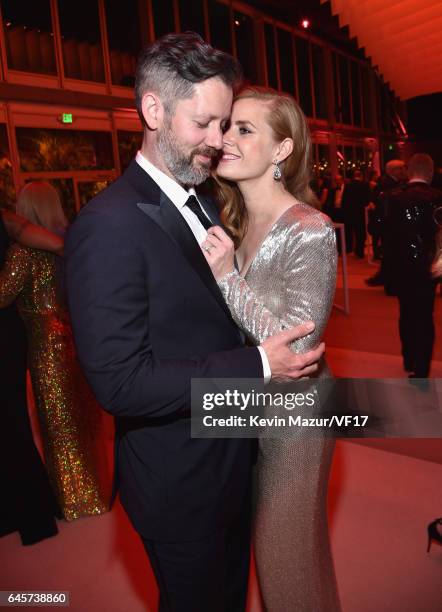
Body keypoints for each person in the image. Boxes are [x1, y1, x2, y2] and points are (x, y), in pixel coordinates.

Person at [65, 33, 324, 612]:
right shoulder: (106, 227)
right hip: (178, 484)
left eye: (225, 123)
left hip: (225, 464)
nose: (217, 142)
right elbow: (120, 382)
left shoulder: (201, 198)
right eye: (204, 123)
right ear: (153, 110)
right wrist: (259, 364)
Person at [202, 87, 340, 611]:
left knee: (283, 553)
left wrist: (226, 277)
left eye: (244, 129)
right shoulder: (232, 220)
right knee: (269, 551)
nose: (225, 140)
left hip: (295, 414)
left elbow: (299, 346)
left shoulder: (311, 230)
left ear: (282, 150)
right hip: (241, 403)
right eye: (226, 127)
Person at [0, 181, 109, 521]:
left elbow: (2, 296)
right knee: (85, 418)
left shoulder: (23, 252)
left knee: (58, 423)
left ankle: (75, 501)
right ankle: (98, 491)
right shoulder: (71, 240)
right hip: (76, 338)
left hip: (45, 345)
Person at [0, 207, 62, 545]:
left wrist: (69, 247)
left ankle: (35, 517)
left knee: (11, 423)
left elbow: (24, 229)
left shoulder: (9, 224)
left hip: (4, 335)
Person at [384, 154, 442, 377]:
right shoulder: (438, 198)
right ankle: (422, 368)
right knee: (426, 315)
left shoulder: (393, 197)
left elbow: (376, 228)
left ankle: (408, 357)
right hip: (428, 266)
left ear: (409, 172)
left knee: (405, 311)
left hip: (400, 265)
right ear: (430, 172)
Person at [365, 159, 407, 287]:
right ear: (394, 170)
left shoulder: (390, 183)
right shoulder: (387, 184)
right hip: (389, 224)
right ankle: (388, 280)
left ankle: (385, 277)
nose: (404, 171)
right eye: (401, 168)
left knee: (389, 252)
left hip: (388, 224)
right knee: (390, 252)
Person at [342, 169, 372, 258]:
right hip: (361, 213)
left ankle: (350, 250)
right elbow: (368, 199)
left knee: (350, 232)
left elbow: (344, 200)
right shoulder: (365, 185)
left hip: (350, 213)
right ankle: (360, 251)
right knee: (361, 233)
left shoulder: (348, 186)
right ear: (361, 176)